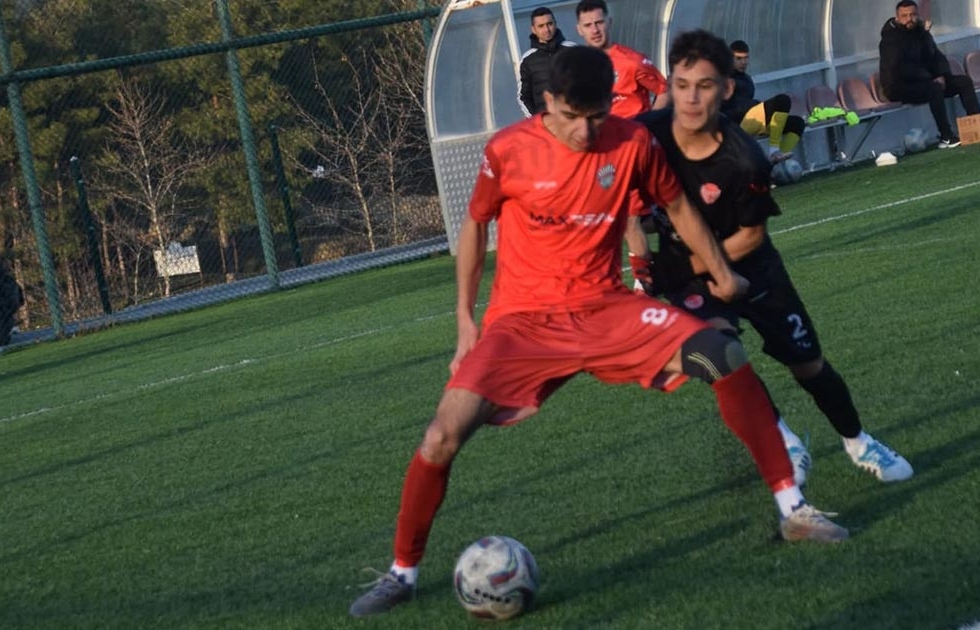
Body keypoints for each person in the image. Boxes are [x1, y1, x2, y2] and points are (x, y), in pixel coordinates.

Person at [348, 45, 848, 619]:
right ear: (549, 101)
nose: (586, 131)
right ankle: (401, 574)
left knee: (722, 353)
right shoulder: (508, 150)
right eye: (573, 117)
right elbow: (476, 224)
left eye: (597, 116)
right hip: (523, 323)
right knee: (441, 435)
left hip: (605, 308)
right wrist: (465, 321)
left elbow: (678, 207)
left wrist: (721, 272)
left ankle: (793, 509)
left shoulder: (631, 143)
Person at [629, 30, 913, 488]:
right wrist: (640, 253)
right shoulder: (645, 135)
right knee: (721, 357)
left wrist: (680, 269)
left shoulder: (745, 159)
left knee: (809, 366)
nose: (691, 98)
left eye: (704, 85)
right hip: (689, 275)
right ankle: (783, 439)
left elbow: (750, 236)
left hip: (751, 266)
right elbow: (610, 181)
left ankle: (858, 441)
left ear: (726, 89)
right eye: (681, 85)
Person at [879, 0, 980, 148]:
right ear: (897, 18)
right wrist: (930, 78)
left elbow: (935, 56)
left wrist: (942, 74)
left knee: (964, 82)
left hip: (924, 81)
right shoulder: (890, 39)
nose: (909, 19)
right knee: (934, 89)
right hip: (897, 87)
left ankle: (977, 125)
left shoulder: (921, 33)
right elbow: (899, 68)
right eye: (905, 16)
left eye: (913, 15)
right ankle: (946, 136)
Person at [575, 0, 670, 118]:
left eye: (599, 22)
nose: (595, 30)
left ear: (609, 22)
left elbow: (664, 91)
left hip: (632, 126)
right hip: (599, 128)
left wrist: (650, 122)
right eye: (588, 25)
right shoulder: (577, 66)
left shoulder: (632, 60)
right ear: (579, 30)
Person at [720, 40, 806, 163]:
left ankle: (778, 162)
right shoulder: (724, 79)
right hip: (738, 123)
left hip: (753, 119)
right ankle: (774, 151)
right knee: (783, 100)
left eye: (746, 58)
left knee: (797, 123)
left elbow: (747, 101)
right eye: (738, 59)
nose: (743, 62)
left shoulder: (747, 79)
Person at [519, 6, 576, 116]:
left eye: (549, 24)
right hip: (546, 122)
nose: (546, 29)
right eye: (541, 26)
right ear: (533, 29)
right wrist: (537, 120)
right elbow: (523, 97)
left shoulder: (573, 50)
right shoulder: (527, 60)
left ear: (555, 24)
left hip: (574, 118)